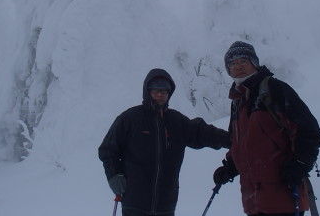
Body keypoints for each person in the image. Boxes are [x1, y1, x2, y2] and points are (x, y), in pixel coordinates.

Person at [212, 42, 320, 216]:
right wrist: (230, 167)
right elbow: (240, 143)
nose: (238, 66)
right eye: (233, 63)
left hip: (285, 197)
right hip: (254, 202)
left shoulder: (275, 90)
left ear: (254, 63)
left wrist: (300, 164)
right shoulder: (238, 101)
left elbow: (310, 133)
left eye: (243, 61)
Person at [99, 68, 230, 216]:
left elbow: (201, 133)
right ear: (147, 91)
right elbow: (108, 149)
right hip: (134, 202)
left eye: (164, 91)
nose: (160, 95)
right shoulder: (130, 118)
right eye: (156, 91)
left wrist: (231, 140)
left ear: (169, 93)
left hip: (165, 204)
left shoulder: (176, 121)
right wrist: (114, 175)